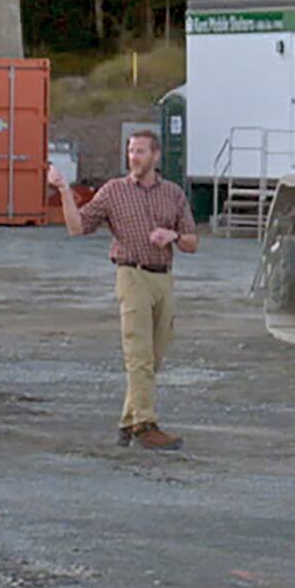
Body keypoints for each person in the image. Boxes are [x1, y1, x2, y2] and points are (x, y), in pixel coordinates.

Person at [60, 129, 198, 451]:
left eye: (140, 152)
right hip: (131, 276)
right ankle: (145, 425)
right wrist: (64, 190)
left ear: (156, 156)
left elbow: (193, 241)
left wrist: (173, 236)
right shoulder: (113, 192)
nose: (133, 158)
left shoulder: (174, 194)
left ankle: (127, 421)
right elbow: (77, 227)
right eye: (130, 151)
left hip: (163, 278)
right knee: (139, 356)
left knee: (154, 356)